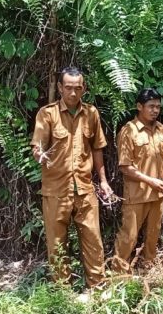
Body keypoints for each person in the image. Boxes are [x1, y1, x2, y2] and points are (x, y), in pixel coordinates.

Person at [30, 67, 113, 290]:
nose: (73, 93)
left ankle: (97, 288)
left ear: (84, 88)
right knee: (57, 243)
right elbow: (37, 147)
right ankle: (62, 291)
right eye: (68, 88)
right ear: (60, 88)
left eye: (78, 88)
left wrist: (103, 181)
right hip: (56, 190)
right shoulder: (47, 114)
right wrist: (39, 154)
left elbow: (97, 149)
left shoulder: (91, 114)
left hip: (85, 189)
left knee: (93, 240)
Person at [111, 89, 163, 274]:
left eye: (158, 107)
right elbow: (125, 167)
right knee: (128, 236)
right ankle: (117, 274)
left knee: (153, 235)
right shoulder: (128, 131)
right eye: (151, 106)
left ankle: (147, 269)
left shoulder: (161, 129)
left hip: (158, 193)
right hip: (137, 195)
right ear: (139, 107)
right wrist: (150, 181)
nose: (155, 110)